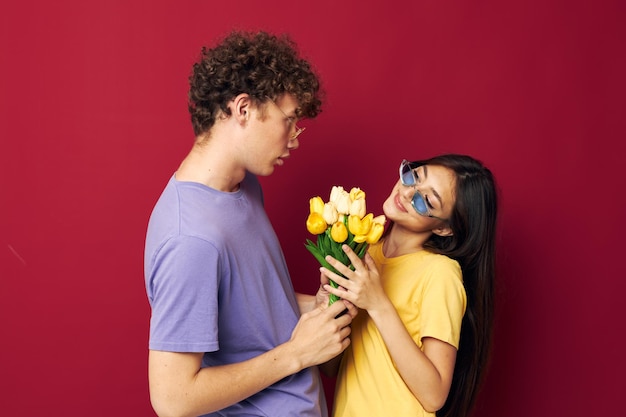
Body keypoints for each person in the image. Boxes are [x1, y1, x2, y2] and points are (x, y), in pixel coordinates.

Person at [144, 31, 356, 417]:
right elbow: (173, 399)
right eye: (289, 121)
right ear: (243, 109)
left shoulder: (244, 186)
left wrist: (315, 307)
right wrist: (297, 353)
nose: (295, 138)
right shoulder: (190, 239)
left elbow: (247, 308)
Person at [320, 154, 498, 417]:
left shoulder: (440, 274)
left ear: (445, 229)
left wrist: (378, 303)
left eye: (426, 201)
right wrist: (332, 304)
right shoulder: (367, 251)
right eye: (414, 176)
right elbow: (331, 367)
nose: (407, 193)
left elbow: (434, 395)